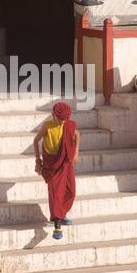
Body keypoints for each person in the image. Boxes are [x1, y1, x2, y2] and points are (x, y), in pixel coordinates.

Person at [33, 102, 80, 240]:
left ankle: (62, 213)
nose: (62, 122)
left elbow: (77, 135)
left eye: (65, 119)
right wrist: (38, 160)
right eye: (60, 119)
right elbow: (35, 141)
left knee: (70, 191)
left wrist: (76, 153)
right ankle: (57, 226)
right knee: (55, 194)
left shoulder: (69, 125)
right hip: (52, 165)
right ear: (54, 115)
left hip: (65, 162)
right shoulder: (48, 126)